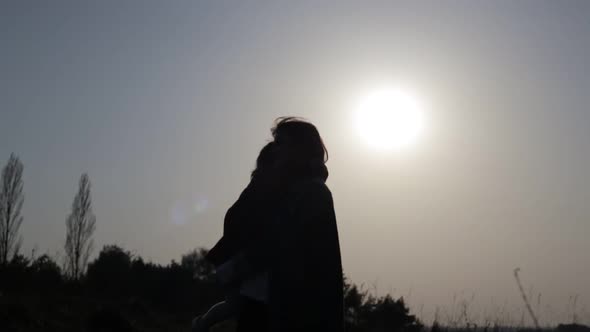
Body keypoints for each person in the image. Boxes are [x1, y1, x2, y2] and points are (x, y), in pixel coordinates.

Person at [233, 117, 344, 332]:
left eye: (281, 143)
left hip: (292, 312)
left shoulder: (312, 192)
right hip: (268, 304)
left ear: (299, 148)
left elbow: (281, 243)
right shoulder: (286, 189)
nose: (275, 151)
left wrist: (237, 266)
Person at [191, 141, 279, 332]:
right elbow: (235, 219)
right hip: (236, 258)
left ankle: (201, 323)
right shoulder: (259, 190)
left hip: (241, 258)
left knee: (238, 305)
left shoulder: (262, 189)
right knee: (237, 305)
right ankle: (201, 323)